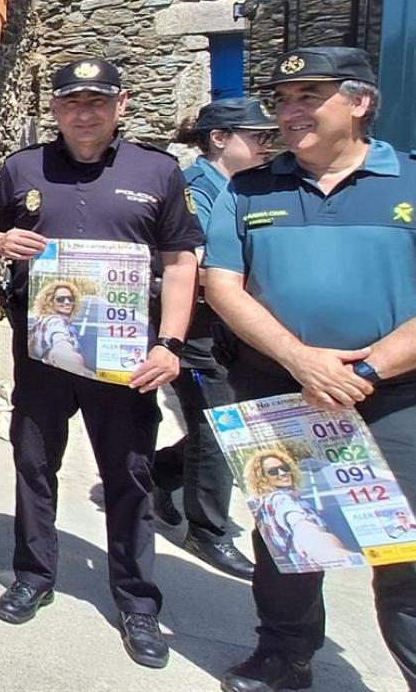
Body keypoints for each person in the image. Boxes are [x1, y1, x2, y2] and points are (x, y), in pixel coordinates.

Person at [0, 57, 200, 668]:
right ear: (57, 109)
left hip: (125, 358)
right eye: (72, 102)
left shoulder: (158, 170)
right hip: (43, 352)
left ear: (120, 104)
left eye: (97, 101)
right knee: (35, 464)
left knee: (129, 474)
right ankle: (33, 575)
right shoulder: (23, 167)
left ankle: (137, 602)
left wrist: (170, 344)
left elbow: (179, 262)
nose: (84, 112)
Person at [202, 47, 416, 692]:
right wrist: (300, 360)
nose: (290, 112)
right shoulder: (250, 188)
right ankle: (283, 656)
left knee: (403, 543)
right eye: (282, 100)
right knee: (286, 532)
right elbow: (223, 283)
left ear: (359, 102)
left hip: (394, 393)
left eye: (307, 96)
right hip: (279, 385)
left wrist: (368, 371)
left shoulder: (408, 181)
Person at [150, 98, 275, 581]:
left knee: (229, 420)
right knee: (220, 422)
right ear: (220, 139)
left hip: (235, 324)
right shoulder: (196, 190)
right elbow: (193, 262)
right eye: (257, 136)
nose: (267, 145)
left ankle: (164, 472)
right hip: (199, 326)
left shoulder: (249, 189)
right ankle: (208, 529)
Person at [242, 449, 355, 570]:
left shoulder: (274, 499)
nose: (282, 473)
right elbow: (300, 524)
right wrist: (334, 553)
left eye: (284, 468)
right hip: (303, 572)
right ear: (262, 478)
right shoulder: (280, 499)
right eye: (273, 471)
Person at [29, 280, 89, 376]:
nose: (67, 302)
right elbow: (60, 342)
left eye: (70, 299)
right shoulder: (55, 322)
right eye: (61, 299)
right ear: (50, 302)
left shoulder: (44, 319)